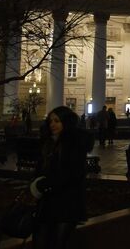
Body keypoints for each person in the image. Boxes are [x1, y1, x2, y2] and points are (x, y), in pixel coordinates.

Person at [31, 106, 89, 248]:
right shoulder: (48, 143)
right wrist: (36, 183)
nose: (52, 125)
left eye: (57, 121)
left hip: (67, 204)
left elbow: (72, 174)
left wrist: (44, 184)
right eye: (51, 121)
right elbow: (40, 170)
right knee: (41, 241)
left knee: (58, 243)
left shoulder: (74, 145)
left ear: (66, 122)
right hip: (47, 203)